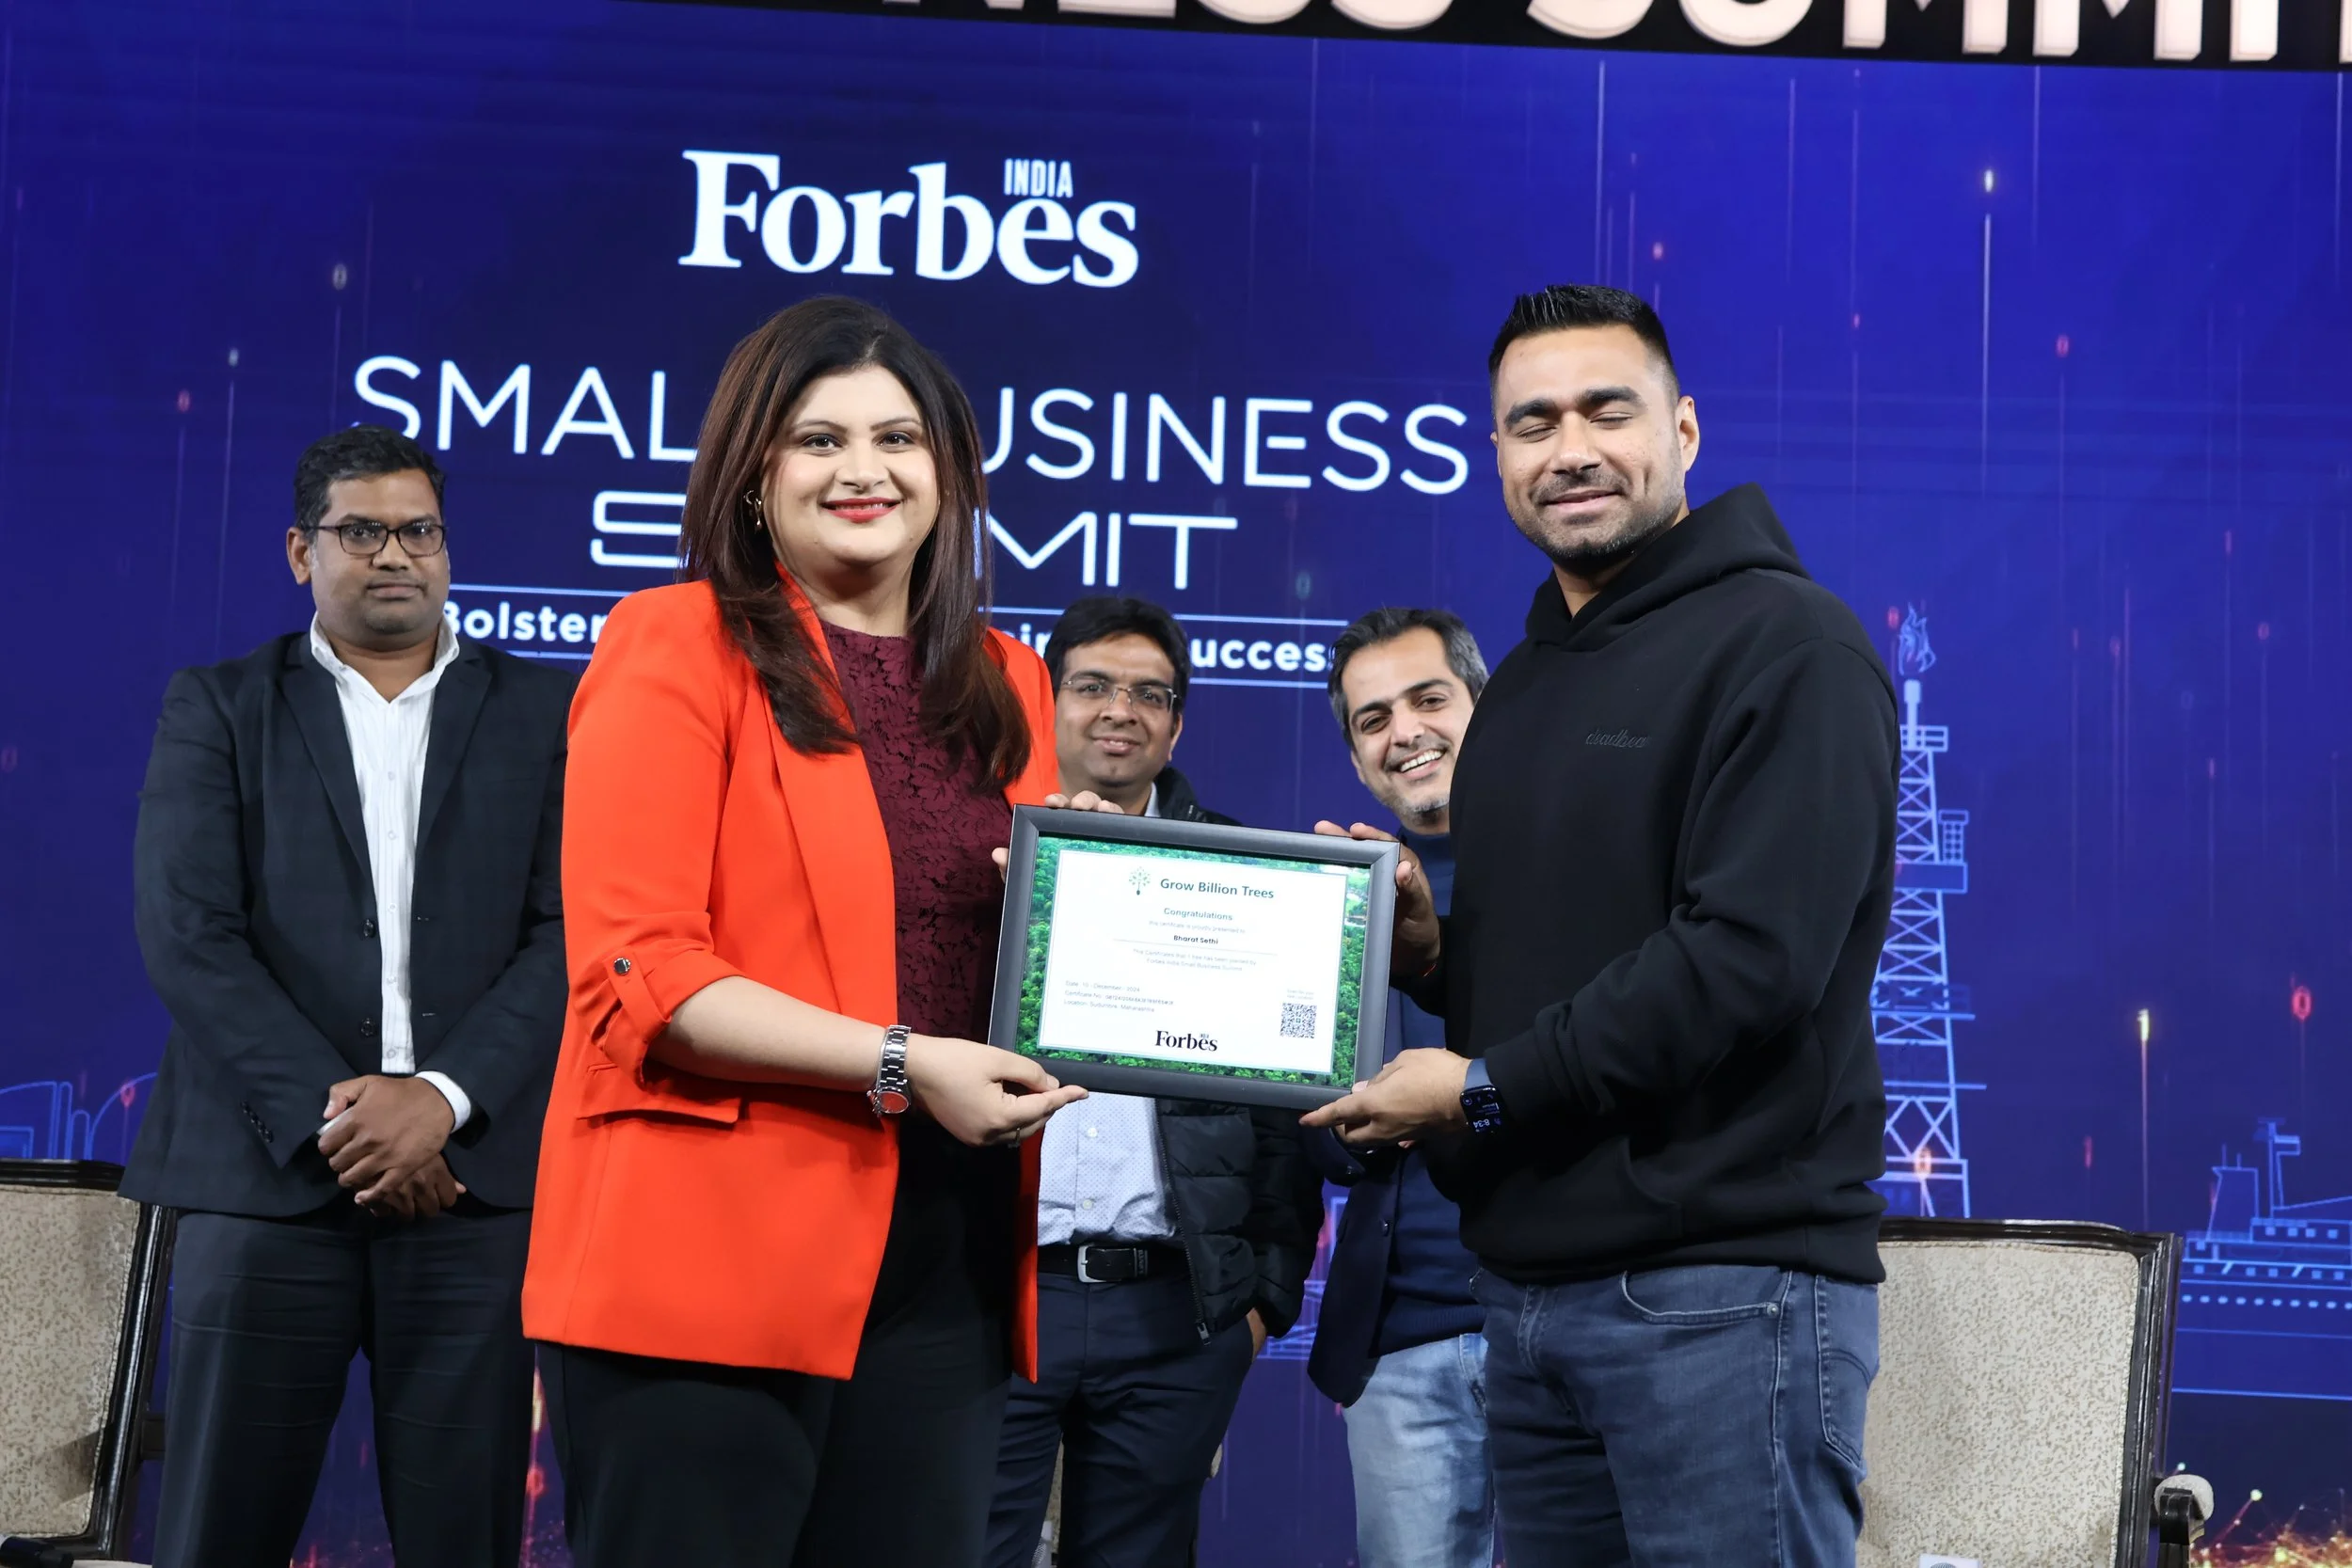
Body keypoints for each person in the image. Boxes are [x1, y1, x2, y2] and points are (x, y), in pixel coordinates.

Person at [1305, 284, 1899, 1568]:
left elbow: (1748, 962)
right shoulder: (1518, 685)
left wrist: (1476, 1087)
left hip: (1722, 1290)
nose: (1567, 447)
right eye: (1530, 422)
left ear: (1683, 430)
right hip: (1527, 1298)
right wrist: (1426, 954)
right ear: (1497, 457)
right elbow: (1555, 968)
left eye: (1604, 408)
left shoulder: (1790, 645)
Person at [523, 296, 1092, 1568]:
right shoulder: (673, 643)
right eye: (817, 439)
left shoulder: (1010, 679)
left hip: (942, 1257)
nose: (863, 470)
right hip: (702, 1261)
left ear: (947, 471)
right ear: (751, 474)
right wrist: (903, 1060)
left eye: (898, 437)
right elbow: (643, 976)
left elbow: (1022, 966)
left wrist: (1100, 920)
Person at [127, 425, 571, 1568]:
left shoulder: (548, 711)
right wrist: (353, 1114)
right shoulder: (219, 706)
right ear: (299, 551)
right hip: (265, 1183)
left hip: (469, 1196)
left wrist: (444, 1100)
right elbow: (190, 936)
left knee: (468, 1534)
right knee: (219, 1528)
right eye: (360, 530)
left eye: (418, 530)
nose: (393, 555)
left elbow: (573, 933)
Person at [985, 594, 1322, 1568]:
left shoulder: (1242, 873)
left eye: (1149, 691)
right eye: (1090, 685)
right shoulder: (973, 858)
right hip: (997, 1293)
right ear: (1045, 702)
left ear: (1176, 720)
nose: (1118, 708)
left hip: (1172, 1312)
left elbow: (1280, 1120)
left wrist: (1258, 1303)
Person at [1305, 606, 1496, 1568]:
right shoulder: (1335, 897)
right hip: (1402, 1340)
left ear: (1484, 704)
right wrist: (1352, 1127)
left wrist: (1464, 1093)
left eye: (1428, 699)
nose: (1404, 731)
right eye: (1372, 718)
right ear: (1354, 757)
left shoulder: (1579, 867)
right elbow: (1308, 1130)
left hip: (1568, 1323)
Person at [1043, 594, 1232, 824]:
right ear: (1047, 708)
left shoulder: (1231, 856)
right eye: (1092, 688)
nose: (1120, 713)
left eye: (1149, 696)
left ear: (1175, 730)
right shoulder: (997, 840)